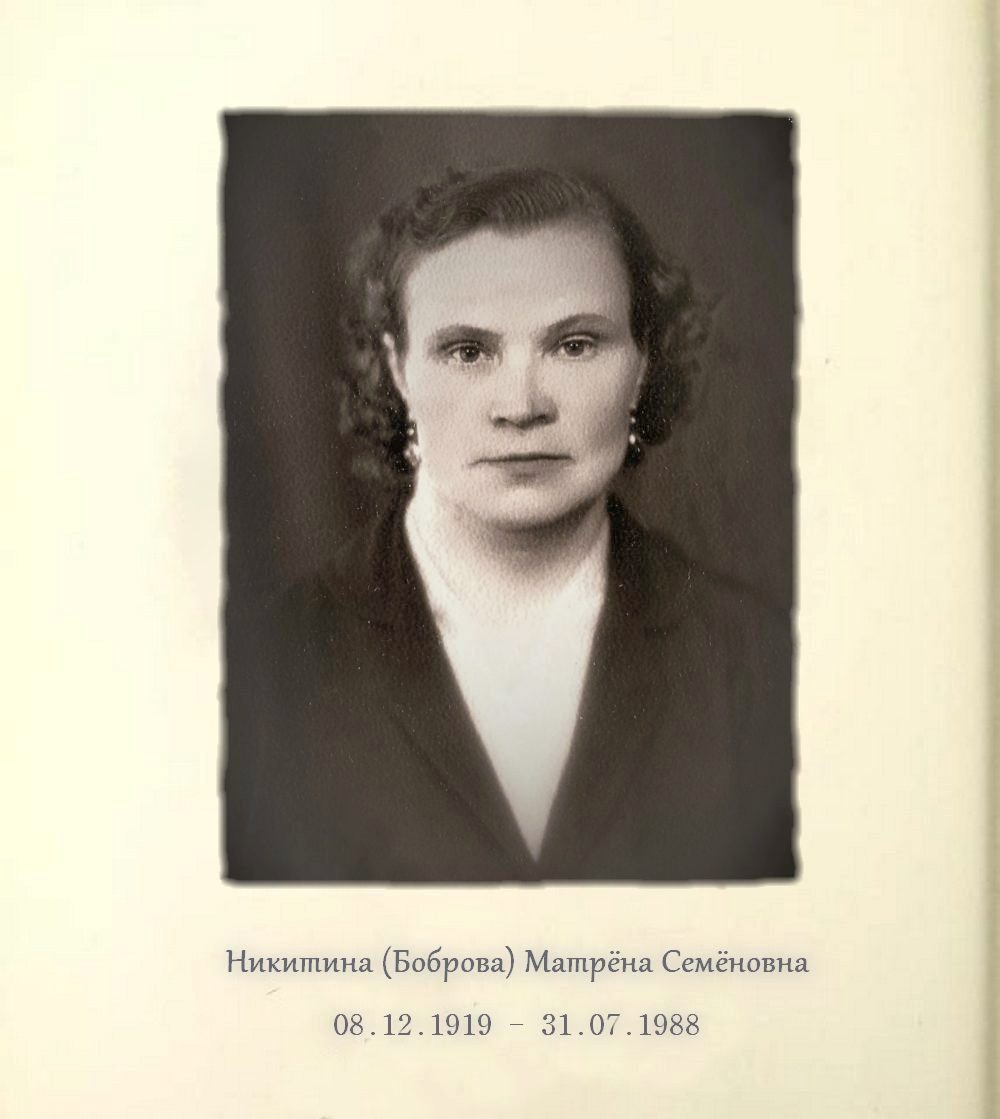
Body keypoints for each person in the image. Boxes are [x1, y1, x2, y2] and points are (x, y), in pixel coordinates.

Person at [225, 166, 796, 882]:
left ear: (643, 363)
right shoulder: (264, 672)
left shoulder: (756, 660)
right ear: (398, 370)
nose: (521, 406)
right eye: (468, 351)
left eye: (575, 345)